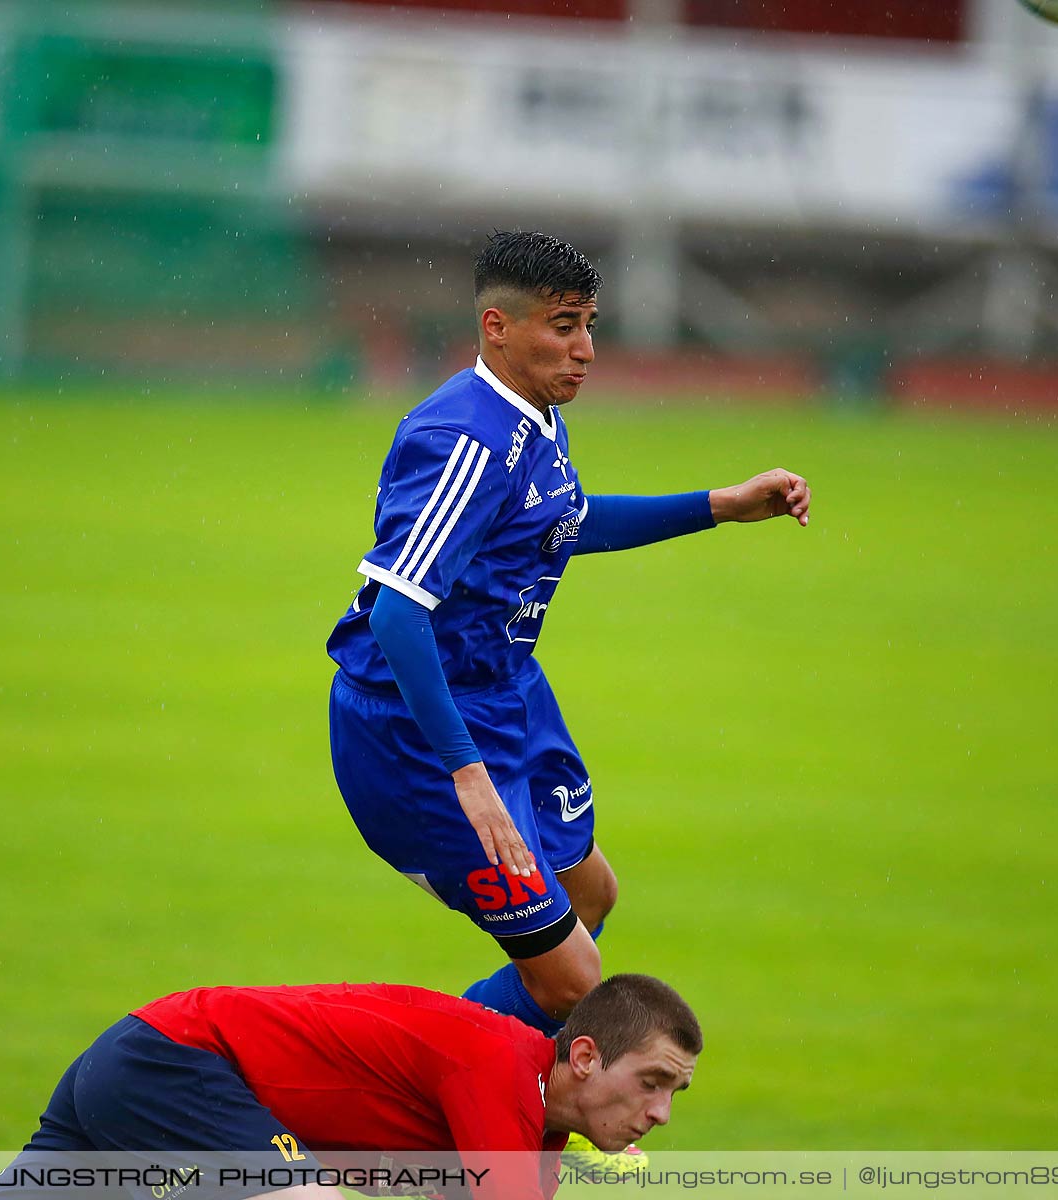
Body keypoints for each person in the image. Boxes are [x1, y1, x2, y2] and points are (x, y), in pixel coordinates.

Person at [326, 231, 810, 1043]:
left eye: (589, 323)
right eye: (562, 326)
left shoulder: (535, 415)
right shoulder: (464, 442)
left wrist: (720, 504)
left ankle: (465, 1077)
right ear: (497, 327)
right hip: (418, 732)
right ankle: (437, 1107)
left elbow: (562, 523)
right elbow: (397, 613)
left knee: (592, 898)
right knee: (569, 981)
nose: (585, 349)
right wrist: (467, 776)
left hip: (507, 692)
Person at [0, 974, 700, 1200]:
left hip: (140, 1058)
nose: (661, 1113)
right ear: (583, 1057)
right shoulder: (497, 1075)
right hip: (177, 1065)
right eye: (651, 1083)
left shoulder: (534, 1129)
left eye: (673, 1093)